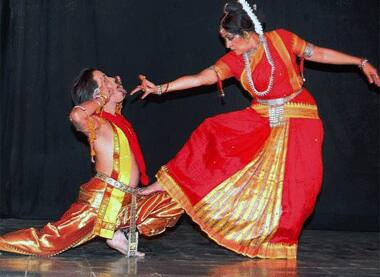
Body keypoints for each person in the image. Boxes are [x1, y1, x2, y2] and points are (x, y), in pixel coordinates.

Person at [131, 0, 379, 259]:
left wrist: (360, 62)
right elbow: (202, 78)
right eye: (224, 39)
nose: (227, 45)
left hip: (300, 116)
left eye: (230, 39)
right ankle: (169, 183)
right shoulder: (236, 60)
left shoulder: (282, 40)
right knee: (212, 132)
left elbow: (320, 54)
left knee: (301, 186)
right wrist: (160, 88)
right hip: (261, 117)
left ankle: (280, 241)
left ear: (247, 34)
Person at [0, 68, 183, 257]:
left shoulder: (119, 122)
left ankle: (112, 229)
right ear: (98, 93)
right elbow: (77, 116)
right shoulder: (98, 122)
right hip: (101, 201)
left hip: (128, 200)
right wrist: (100, 100)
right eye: (106, 79)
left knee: (179, 195)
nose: (115, 78)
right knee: (48, 241)